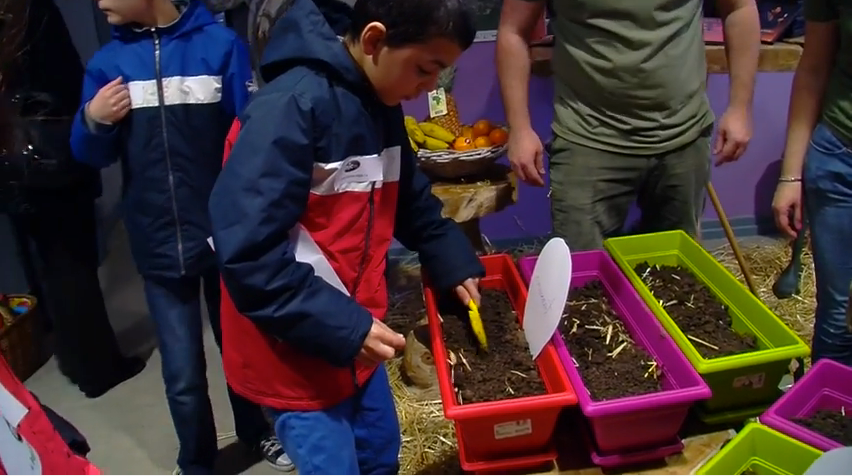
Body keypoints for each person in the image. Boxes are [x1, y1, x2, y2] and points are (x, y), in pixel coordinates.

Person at [208, 0, 484, 473]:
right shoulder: (289, 109)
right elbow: (248, 252)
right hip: (292, 353)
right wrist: (345, 327)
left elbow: (409, 197)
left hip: (353, 337)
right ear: (375, 41)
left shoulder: (381, 104)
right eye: (424, 68)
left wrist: (448, 255)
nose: (429, 88)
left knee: (379, 454)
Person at [68, 0, 290, 472]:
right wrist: (94, 119)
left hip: (224, 235)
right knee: (182, 372)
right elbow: (89, 155)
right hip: (156, 241)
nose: (99, 2)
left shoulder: (221, 47)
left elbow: (250, 133)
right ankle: (197, 460)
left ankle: (256, 432)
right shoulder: (109, 64)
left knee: (241, 350)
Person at [496, 0, 760, 251]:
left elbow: (740, 9)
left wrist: (740, 109)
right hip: (587, 139)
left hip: (684, 136)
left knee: (675, 276)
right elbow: (513, 31)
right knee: (583, 277)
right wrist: (519, 128)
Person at [0, 0, 145, 398]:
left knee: (50, 261)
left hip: (12, 153)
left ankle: (71, 353)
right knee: (72, 263)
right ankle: (97, 368)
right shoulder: (29, 9)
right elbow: (62, 78)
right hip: (47, 150)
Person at [773, 0, 852, 366]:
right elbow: (815, 67)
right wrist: (791, 175)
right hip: (841, 158)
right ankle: (827, 417)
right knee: (837, 319)